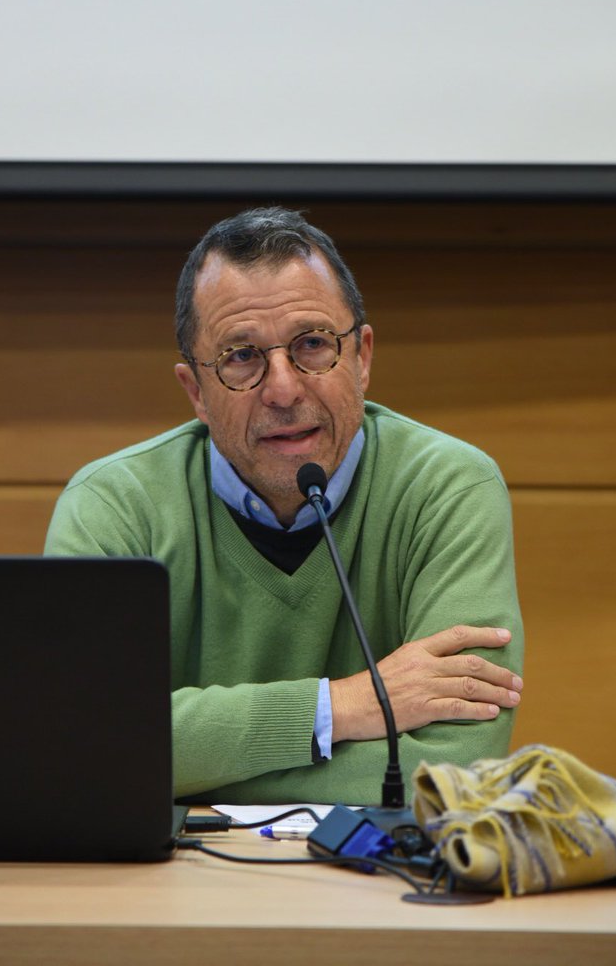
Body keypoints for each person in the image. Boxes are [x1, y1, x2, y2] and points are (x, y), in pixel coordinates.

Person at [45, 207, 524, 805]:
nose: (283, 389)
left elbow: (454, 767)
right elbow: (83, 740)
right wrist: (338, 707)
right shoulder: (114, 505)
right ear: (196, 391)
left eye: (313, 345)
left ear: (362, 358)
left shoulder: (447, 487)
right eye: (241, 356)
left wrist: (181, 765)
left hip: (369, 866)